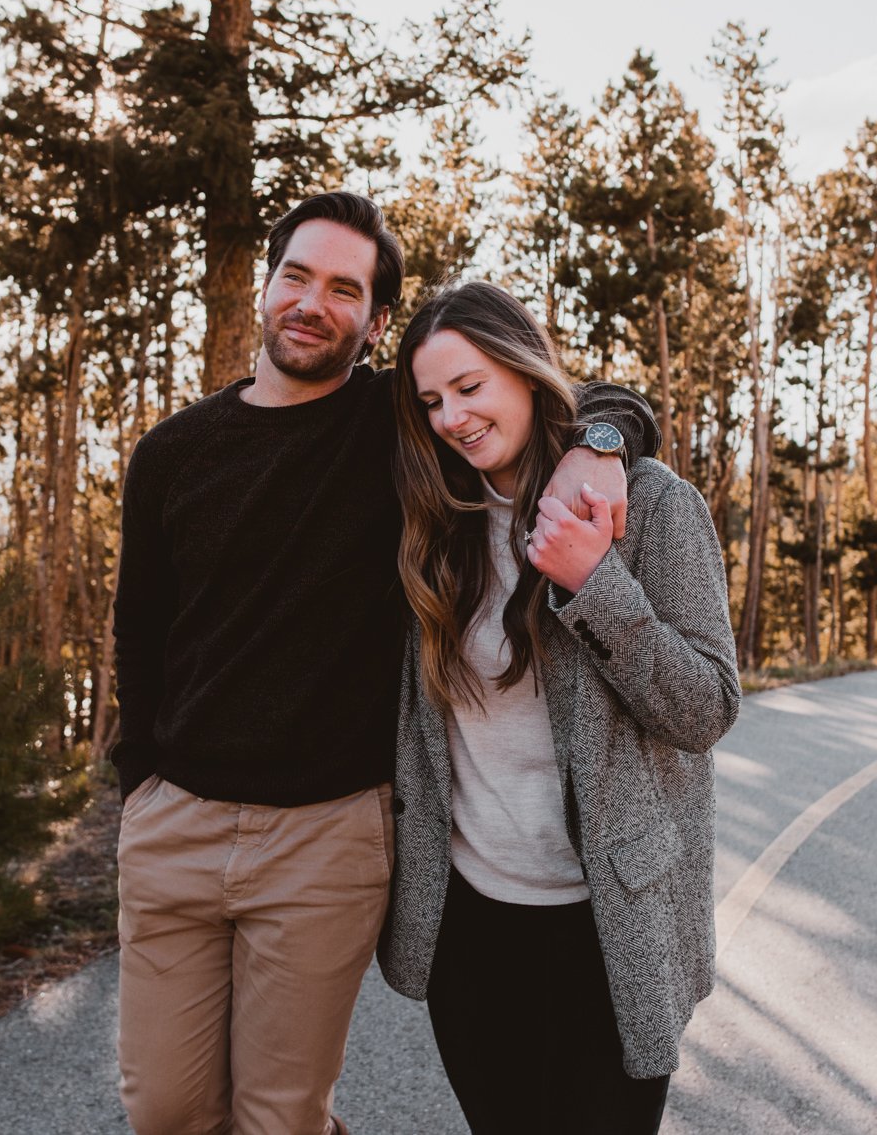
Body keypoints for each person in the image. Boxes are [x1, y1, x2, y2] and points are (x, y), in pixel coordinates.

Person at [109, 192, 659, 1135]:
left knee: (280, 1116)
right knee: (164, 1111)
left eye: (343, 289)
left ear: (372, 323)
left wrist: (606, 444)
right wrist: (140, 790)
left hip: (325, 832)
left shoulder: (400, 430)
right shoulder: (171, 455)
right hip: (178, 828)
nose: (311, 301)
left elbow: (571, 396)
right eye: (296, 275)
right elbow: (141, 640)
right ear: (266, 282)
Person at [379, 280, 739, 1135]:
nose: (453, 417)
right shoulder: (432, 518)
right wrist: (606, 428)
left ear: (525, 371)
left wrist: (596, 582)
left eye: (470, 387)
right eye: (432, 400)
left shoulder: (647, 504)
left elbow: (707, 708)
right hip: (473, 927)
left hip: (610, 926)